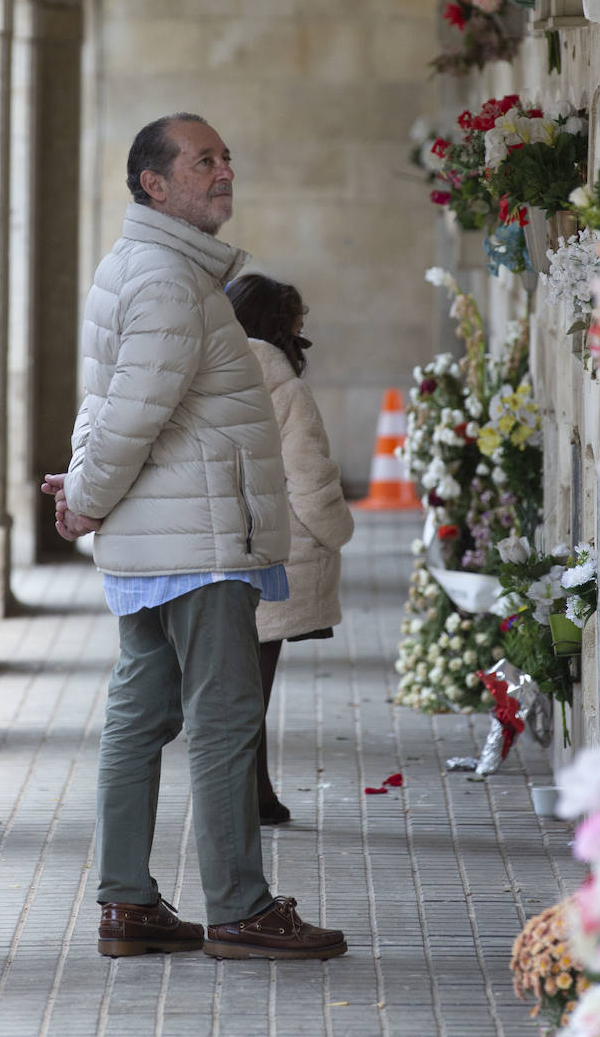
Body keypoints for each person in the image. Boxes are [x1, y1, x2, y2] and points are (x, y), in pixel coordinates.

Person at [42, 112, 346, 962]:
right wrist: (90, 501)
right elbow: (131, 411)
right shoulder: (170, 280)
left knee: (140, 718)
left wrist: (86, 490)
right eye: (203, 161)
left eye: (225, 157)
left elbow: (103, 404)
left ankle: (128, 905)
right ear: (155, 185)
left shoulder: (142, 266)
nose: (225, 172)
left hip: (163, 537)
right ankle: (238, 908)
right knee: (223, 719)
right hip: (196, 541)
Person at [226, 274, 354, 825]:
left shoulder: (205, 376)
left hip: (211, 549)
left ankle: (253, 795)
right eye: (298, 322)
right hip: (275, 554)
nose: (304, 331)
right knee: (251, 690)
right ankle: (249, 799)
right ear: (279, 326)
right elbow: (310, 479)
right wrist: (338, 531)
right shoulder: (285, 390)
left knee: (230, 688)